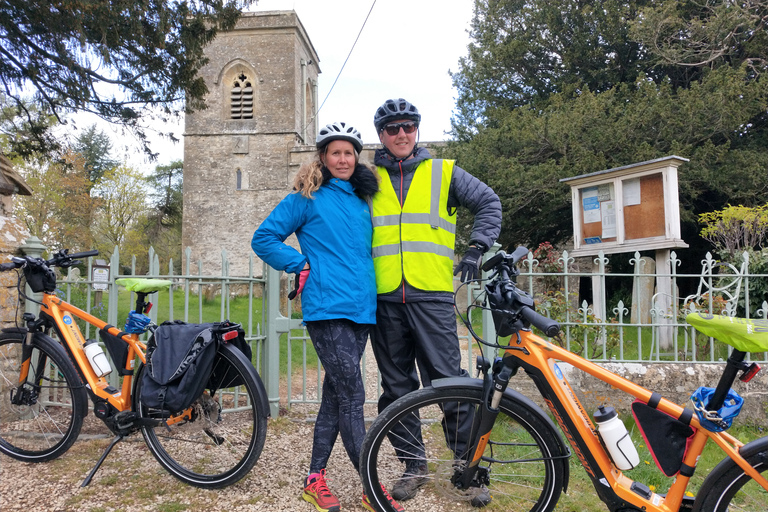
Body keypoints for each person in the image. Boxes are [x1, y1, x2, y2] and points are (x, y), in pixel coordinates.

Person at [251, 122, 402, 512]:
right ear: (322, 157)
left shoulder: (361, 199)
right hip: (326, 307)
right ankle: (372, 488)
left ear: (357, 157)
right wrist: (298, 264)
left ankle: (314, 479)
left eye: (349, 153)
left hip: (361, 309)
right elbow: (263, 238)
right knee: (354, 395)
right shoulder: (306, 198)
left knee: (335, 397)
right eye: (335, 152)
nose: (343, 159)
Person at [369, 98, 502, 507]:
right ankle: (414, 466)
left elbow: (489, 202)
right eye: (393, 128)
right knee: (397, 390)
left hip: (432, 297)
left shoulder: (444, 172)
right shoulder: (365, 177)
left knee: (451, 384)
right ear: (381, 136)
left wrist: (476, 249)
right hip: (384, 298)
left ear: (417, 131)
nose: (401, 134)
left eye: (408, 126)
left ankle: (469, 469)